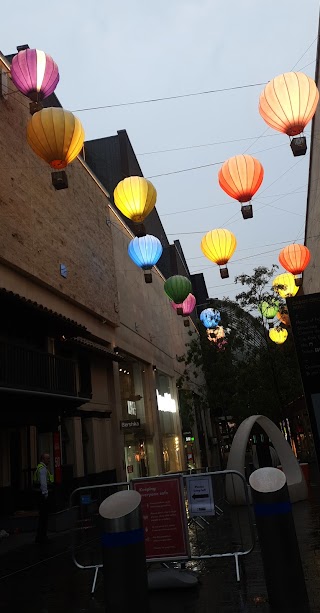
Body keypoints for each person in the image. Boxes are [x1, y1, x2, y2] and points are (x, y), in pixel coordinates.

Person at [33, 453, 54, 544]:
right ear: (42, 459)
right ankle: (42, 537)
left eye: (49, 458)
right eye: (47, 459)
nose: (49, 460)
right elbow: (43, 483)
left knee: (43, 517)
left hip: (39, 495)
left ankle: (40, 537)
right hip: (42, 496)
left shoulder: (40, 468)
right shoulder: (42, 469)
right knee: (44, 517)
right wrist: (45, 494)